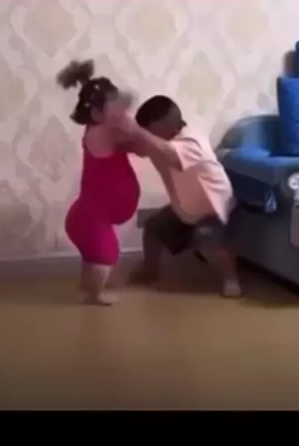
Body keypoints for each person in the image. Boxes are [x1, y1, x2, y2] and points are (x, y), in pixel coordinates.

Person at [113, 95, 241, 298]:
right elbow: (140, 147)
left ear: (172, 128)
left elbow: (169, 152)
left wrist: (137, 131)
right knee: (153, 228)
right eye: (146, 132)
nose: (148, 138)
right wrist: (113, 140)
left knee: (209, 239)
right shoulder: (157, 141)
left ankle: (231, 279)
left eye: (151, 133)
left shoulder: (192, 141)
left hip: (213, 209)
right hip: (185, 209)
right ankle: (150, 270)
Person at [57, 59, 141, 305]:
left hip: (89, 214)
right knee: (106, 256)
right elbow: (130, 101)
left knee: (93, 254)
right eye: (115, 107)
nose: (122, 113)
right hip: (92, 217)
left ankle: (88, 283)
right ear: (96, 113)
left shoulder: (105, 130)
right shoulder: (100, 134)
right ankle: (95, 294)